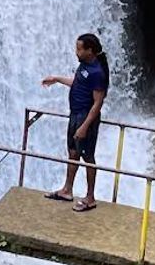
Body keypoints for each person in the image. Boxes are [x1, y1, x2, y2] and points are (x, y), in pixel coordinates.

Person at [41, 33, 109, 212]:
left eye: (79, 49)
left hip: (86, 118)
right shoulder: (84, 66)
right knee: (72, 152)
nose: (76, 52)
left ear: (90, 50)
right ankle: (67, 190)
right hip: (75, 115)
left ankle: (90, 198)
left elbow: (98, 102)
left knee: (88, 157)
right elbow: (77, 84)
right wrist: (56, 79)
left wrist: (85, 126)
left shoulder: (97, 72)